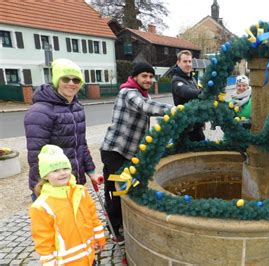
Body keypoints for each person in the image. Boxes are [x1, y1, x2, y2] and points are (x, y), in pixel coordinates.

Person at [100, 62, 171, 242]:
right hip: (115, 152)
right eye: (144, 76)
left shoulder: (141, 93)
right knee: (117, 191)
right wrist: (175, 110)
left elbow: (148, 105)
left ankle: (123, 224)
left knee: (125, 189)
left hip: (128, 153)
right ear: (135, 77)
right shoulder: (128, 93)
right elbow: (146, 107)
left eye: (150, 76)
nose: (148, 79)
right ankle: (116, 230)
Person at [24, 58, 101, 201]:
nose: (71, 83)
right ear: (57, 80)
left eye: (76, 80)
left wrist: (91, 171)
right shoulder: (40, 111)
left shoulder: (77, 108)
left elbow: (81, 144)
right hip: (52, 187)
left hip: (74, 182)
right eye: (66, 79)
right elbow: (36, 155)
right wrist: (42, 187)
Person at [29, 144, 105, 266]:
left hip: (89, 258)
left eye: (65, 168)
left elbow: (93, 217)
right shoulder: (41, 206)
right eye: (55, 170)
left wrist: (99, 237)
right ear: (45, 176)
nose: (62, 173)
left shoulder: (81, 192)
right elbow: (43, 239)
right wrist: (49, 262)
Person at [171, 50, 205, 142]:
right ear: (178, 62)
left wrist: (201, 121)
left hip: (196, 126)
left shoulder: (192, 78)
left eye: (189, 61)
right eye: (185, 61)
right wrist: (205, 92)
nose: (188, 64)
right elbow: (187, 92)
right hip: (185, 128)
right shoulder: (176, 80)